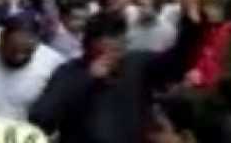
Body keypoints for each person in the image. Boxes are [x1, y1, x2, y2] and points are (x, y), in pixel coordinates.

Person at [29, 16, 157, 143]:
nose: (109, 59)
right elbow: (41, 118)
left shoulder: (137, 65)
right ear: (87, 48)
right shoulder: (69, 73)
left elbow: (166, 62)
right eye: (101, 53)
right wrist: (87, 79)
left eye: (116, 51)